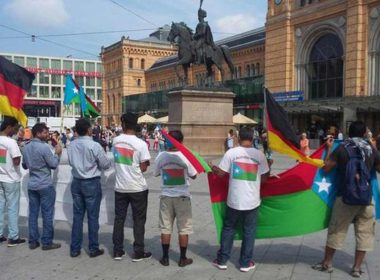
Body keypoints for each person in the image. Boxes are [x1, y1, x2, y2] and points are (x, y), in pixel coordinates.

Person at [312, 121, 380, 278]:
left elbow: (326, 167)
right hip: (366, 198)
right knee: (365, 233)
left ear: (349, 133)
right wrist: (374, 148)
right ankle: (356, 268)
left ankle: (327, 263)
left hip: (345, 197)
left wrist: (329, 148)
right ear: (364, 134)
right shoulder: (370, 149)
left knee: (336, 230)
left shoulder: (342, 149)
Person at [209, 127, 270, 272]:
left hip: (234, 200)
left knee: (229, 228)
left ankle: (222, 260)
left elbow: (222, 174)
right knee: (249, 231)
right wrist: (269, 166)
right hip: (252, 201)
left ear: (238, 137)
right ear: (252, 137)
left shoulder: (231, 153)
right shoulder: (259, 155)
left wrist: (213, 167)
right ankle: (245, 263)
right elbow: (265, 178)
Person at [67, 119, 112, 258]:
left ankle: (75, 248)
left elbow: (70, 162)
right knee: (93, 217)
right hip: (91, 182)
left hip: (76, 182)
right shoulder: (94, 145)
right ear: (88, 130)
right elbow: (105, 165)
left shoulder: (71, 145)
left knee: (77, 216)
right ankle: (93, 248)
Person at [112, 113, 152, 261]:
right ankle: (138, 252)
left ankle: (117, 250)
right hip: (137, 188)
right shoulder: (141, 144)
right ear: (135, 125)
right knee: (139, 220)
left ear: (123, 124)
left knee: (119, 219)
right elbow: (144, 168)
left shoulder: (115, 141)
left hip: (120, 187)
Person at [154, 130, 197, 267]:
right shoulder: (186, 157)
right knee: (184, 229)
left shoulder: (161, 156)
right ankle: (182, 258)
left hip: (166, 196)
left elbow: (155, 173)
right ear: (181, 142)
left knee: (165, 228)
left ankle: (165, 258)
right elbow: (194, 175)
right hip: (183, 196)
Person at [22, 123, 62, 250]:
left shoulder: (25, 147)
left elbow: (24, 165)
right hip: (44, 184)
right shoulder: (44, 147)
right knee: (47, 214)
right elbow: (53, 164)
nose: (47, 135)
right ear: (38, 133)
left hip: (32, 184)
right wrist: (57, 153)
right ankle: (47, 242)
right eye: (45, 133)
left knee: (33, 213)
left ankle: (33, 241)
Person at [0, 117, 25, 246]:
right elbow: (16, 161)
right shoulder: (11, 142)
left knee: (0, 207)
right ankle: (13, 237)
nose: (16, 130)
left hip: (0, 177)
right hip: (11, 178)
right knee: (12, 208)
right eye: (16, 128)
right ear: (9, 127)